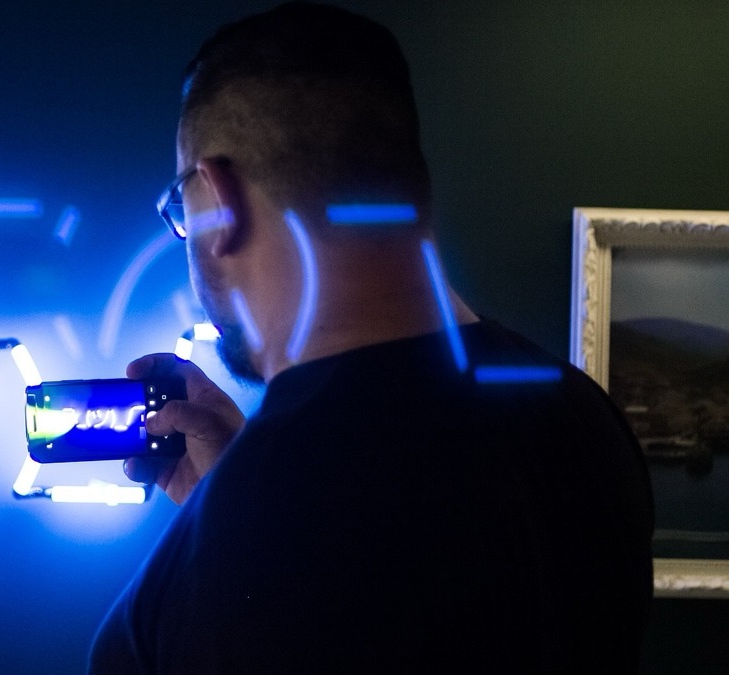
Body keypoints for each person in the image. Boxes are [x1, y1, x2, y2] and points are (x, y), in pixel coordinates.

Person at [90, 3, 653, 672]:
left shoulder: (260, 520)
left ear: (216, 198)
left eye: (183, 208)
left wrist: (233, 515)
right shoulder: (583, 417)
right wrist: (226, 496)